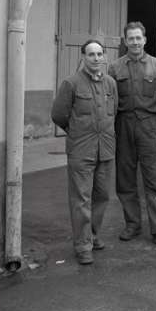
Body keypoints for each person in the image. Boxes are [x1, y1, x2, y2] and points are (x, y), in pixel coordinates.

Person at [108, 21, 156, 251]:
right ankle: (132, 224)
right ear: (125, 41)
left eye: (139, 38)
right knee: (125, 178)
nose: (135, 42)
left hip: (148, 126)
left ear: (145, 40)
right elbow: (109, 101)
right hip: (123, 125)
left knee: (154, 179)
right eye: (131, 38)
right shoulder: (115, 68)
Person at [51, 40, 118, 265]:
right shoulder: (71, 83)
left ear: (104, 57)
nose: (96, 58)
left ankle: (93, 235)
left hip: (105, 148)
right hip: (81, 150)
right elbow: (58, 115)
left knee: (102, 196)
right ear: (83, 57)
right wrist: (77, 132)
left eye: (99, 54)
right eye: (91, 54)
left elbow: (113, 111)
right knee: (81, 199)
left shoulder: (110, 84)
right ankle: (82, 245)